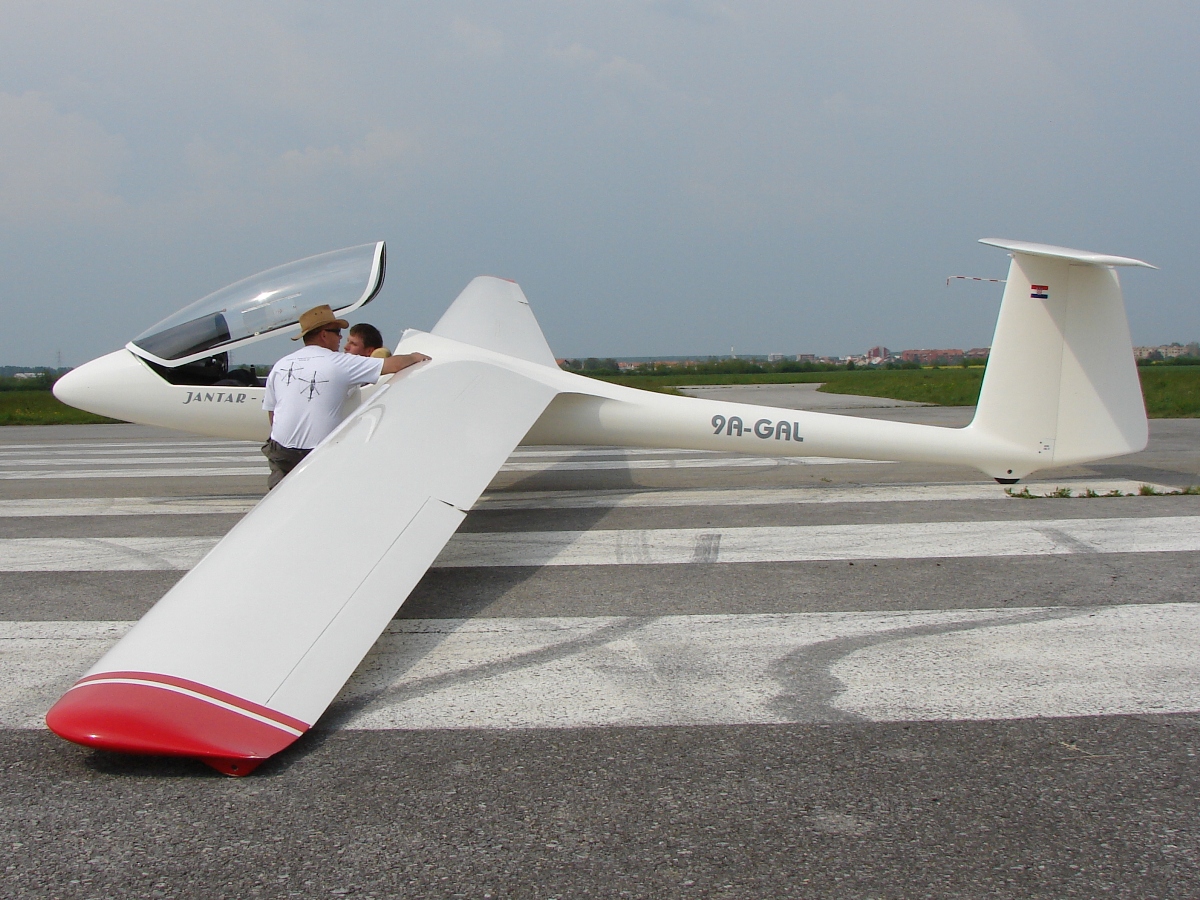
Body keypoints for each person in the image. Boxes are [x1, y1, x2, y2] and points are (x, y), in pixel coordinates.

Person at [261, 305, 430, 489]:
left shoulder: (280, 365)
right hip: (318, 454)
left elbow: (272, 412)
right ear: (324, 335)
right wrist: (415, 356)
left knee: (279, 498)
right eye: (337, 332)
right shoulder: (339, 362)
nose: (340, 338)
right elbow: (393, 365)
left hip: (282, 452)